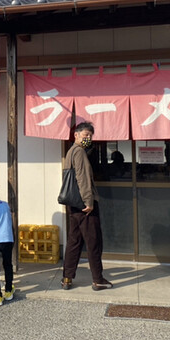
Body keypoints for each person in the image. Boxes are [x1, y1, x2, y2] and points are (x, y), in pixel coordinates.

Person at [60, 122, 112, 291]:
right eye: (85, 135)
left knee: (74, 241)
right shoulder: (80, 152)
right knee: (94, 241)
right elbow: (82, 178)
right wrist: (88, 201)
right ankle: (98, 279)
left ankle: (67, 278)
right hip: (84, 205)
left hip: (74, 204)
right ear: (76, 135)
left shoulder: (70, 151)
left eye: (90, 135)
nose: (88, 138)